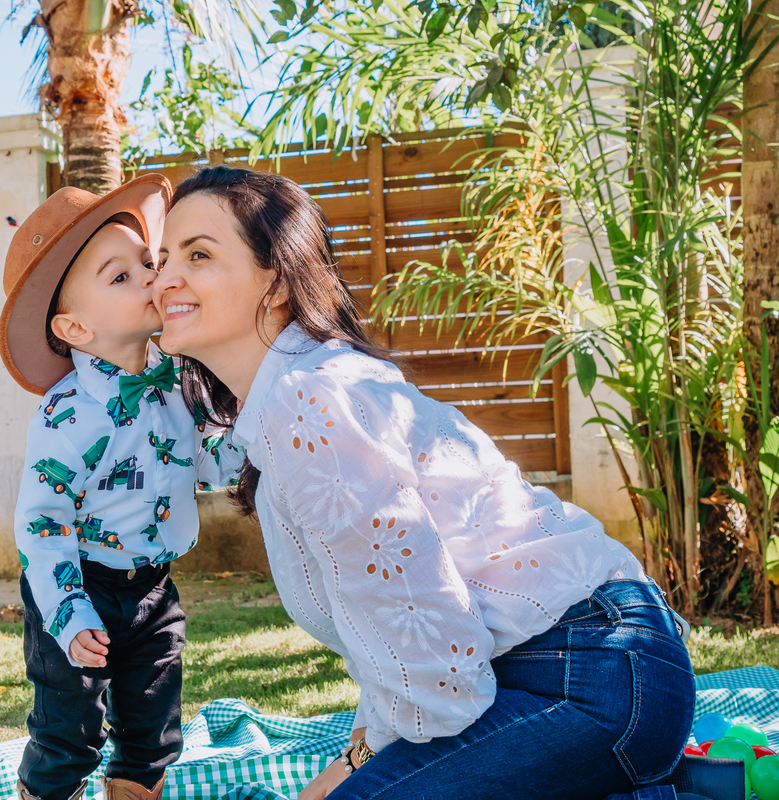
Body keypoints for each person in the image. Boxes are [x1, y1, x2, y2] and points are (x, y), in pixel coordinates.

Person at [151, 165, 696, 800]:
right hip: (586, 669)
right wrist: (353, 765)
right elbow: (395, 631)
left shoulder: (310, 404)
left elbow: (439, 670)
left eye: (198, 254)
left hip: (590, 675)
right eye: (162, 258)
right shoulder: (291, 404)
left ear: (275, 280)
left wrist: (358, 775)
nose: (165, 279)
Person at [0, 174, 242, 800]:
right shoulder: (68, 416)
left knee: (153, 728)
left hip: (154, 587)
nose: (152, 279)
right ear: (75, 329)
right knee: (69, 728)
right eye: (120, 277)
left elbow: (207, 463)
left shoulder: (179, 382)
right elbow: (41, 520)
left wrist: (250, 442)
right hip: (79, 583)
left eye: (147, 263)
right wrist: (64, 607)